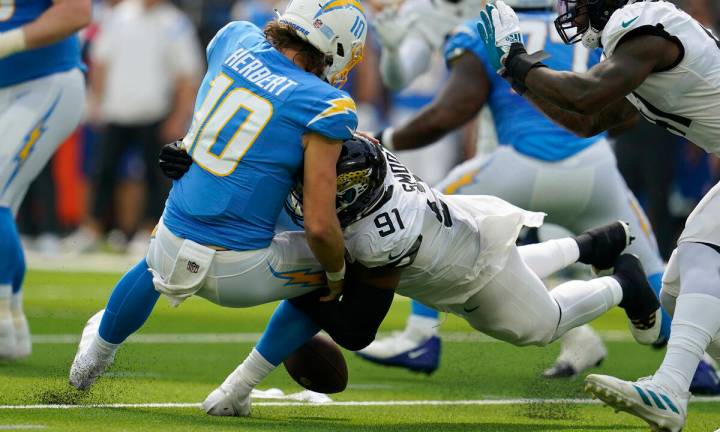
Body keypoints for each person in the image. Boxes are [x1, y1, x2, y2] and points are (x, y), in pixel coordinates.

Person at [360, 0, 670, 381]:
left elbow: (454, 109)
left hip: (516, 165)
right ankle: (693, 362)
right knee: (650, 260)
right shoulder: (586, 32)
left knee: (430, 214)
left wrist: (387, 139)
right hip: (596, 166)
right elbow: (627, 112)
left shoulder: (478, 30)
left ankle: (420, 335)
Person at [190, 136, 662, 417]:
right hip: (455, 234)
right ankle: (590, 244)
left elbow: (357, 331)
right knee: (314, 283)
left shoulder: (381, 234)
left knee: (537, 327)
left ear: (354, 201)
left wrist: (316, 298)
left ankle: (623, 284)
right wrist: (193, 160)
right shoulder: (359, 150)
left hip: (471, 277)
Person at [68, 0, 368, 390]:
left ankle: (92, 360)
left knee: (155, 261)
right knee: (349, 263)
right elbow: (318, 223)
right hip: (239, 270)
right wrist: (335, 273)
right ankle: (239, 387)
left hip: (171, 244)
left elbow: (223, 116)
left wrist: (189, 145)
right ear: (335, 46)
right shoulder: (326, 104)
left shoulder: (234, 37)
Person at [476, 0, 720, 429]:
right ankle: (672, 387)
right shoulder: (636, 49)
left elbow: (586, 94)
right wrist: (518, 79)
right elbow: (590, 121)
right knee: (673, 292)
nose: (574, 7)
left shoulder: (645, 26)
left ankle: (670, 390)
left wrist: (522, 62)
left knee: (698, 256)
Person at [65, 0, 203, 255]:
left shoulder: (174, 23)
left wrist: (179, 115)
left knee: (155, 178)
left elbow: (187, 75)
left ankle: (147, 230)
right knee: (102, 172)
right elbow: (101, 62)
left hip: (154, 113)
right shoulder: (119, 17)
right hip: (117, 109)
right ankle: (91, 229)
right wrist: (96, 100)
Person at [0, 0, 91, 360]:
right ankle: (10, 324)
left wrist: (7, 41)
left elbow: (76, 9)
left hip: (44, 81)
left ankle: (3, 318)